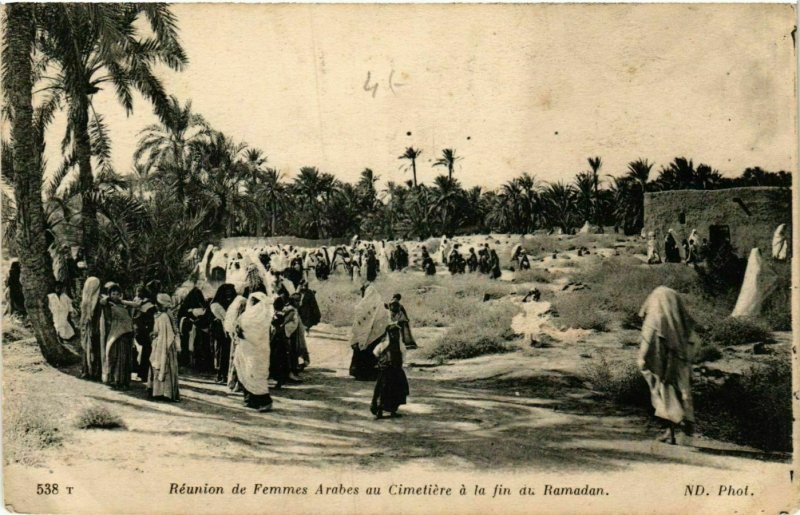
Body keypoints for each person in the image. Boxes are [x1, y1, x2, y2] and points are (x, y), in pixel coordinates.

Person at [638, 286, 695, 445]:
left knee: (662, 394)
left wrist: (645, 364)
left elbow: (646, 348)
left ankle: (671, 430)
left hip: (660, 366)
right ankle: (683, 423)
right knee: (681, 393)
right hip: (680, 365)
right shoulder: (682, 320)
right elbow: (694, 343)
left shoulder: (654, 318)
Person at [234, 292, 274, 411]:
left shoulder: (262, 317)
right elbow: (237, 324)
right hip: (245, 349)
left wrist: (242, 333)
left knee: (255, 374)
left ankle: (265, 402)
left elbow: (255, 336)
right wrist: (238, 330)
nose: (251, 303)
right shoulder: (247, 315)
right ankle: (251, 400)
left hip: (257, 352)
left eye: (254, 301)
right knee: (245, 372)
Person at [370, 309, 409, 419]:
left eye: (396, 333)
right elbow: (376, 352)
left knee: (395, 390)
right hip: (386, 371)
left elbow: (403, 355)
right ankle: (380, 411)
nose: (394, 335)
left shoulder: (399, 345)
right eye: (392, 333)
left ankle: (392, 411)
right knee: (383, 390)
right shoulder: (384, 344)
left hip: (394, 370)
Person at [349, 284, 389, 381]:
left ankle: (360, 373)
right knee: (370, 354)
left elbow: (357, 323)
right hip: (375, 336)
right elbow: (385, 322)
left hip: (365, 336)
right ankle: (370, 374)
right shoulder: (380, 307)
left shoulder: (361, 307)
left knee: (363, 354)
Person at [101, 282, 135, 390]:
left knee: (125, 358)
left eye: (117, 294)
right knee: (115, 357)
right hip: (115, 334)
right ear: (109, 295)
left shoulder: (123, 305)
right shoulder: (108, 305)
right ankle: (115, 380)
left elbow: (136, 305)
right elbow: (101, 301)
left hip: (126, 334)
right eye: (113, 294)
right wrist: (107, 299)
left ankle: (124, 381)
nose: (115, 296)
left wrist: (122, 301)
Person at [148, 293, 180, 401]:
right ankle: (161, 392)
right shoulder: (160, 316)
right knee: (161, 366)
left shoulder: (164, 317)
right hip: (161, 344)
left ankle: (163, 393)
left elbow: (167, 334)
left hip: (164, 345)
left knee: (162, 366)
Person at [210, 283, 237, 384]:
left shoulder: (231, 303)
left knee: (226, 352)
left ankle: (224, 374)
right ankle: (220, 374)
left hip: (228, 329)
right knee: (220, 352)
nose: (229, 295)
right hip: (220, 330)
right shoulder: (217, 304)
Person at [131, 285, 158, 382]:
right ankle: (142, 373)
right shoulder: (145, 304)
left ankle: (143, 373)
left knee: (145, 351)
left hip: (142, 331)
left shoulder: (147, 305)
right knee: (145, 351)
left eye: (139, 292)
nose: (138, 294)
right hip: (141, 331)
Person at [79, 277, 103, 380]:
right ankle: (95, 372)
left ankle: (87, 371)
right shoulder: (99, 300)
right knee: (96, 349)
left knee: (87, 349)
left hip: (87, 329)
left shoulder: (85, 300)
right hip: (96, 328)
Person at [224, 295, 247, 391]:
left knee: (235, 363)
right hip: (242, 344)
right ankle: (238, 384)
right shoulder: (243, 318)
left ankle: (232, 383)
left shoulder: (236, 319)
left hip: (236, 343)